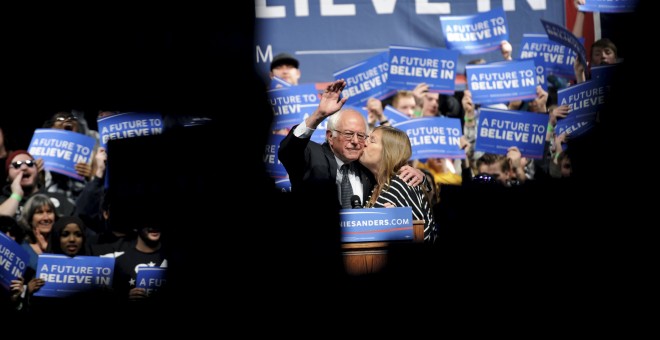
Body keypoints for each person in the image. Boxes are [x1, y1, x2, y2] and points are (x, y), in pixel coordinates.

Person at [279, 79, 425, 208]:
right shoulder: (313, 154)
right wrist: (318, 115)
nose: (355, 141)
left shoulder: (367, 165)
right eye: (348, 134)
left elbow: (392, 163)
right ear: (330, 136)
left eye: (361, 136)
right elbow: (288, 151)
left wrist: (420, 176)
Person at [359, 126, 437, 242]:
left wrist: (398, 226)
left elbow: (421, 235)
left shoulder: (402, 183)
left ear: (389, 152)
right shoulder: (376, 184)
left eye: (372, 140)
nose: (364, 143)